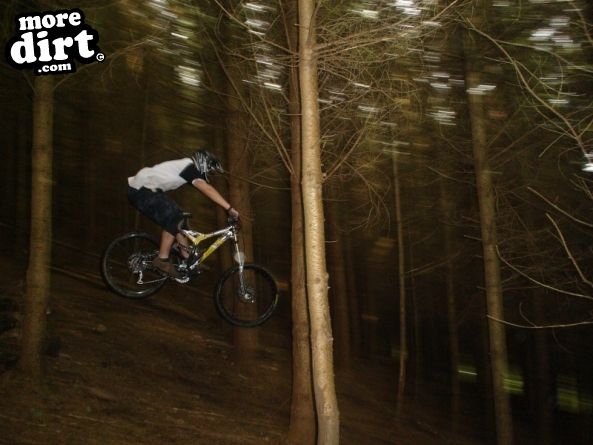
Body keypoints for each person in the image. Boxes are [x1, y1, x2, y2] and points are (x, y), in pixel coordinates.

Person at [127, 149, 239, 278]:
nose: (208, 172)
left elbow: (205, 187)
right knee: (175, 216)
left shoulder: (186, 168)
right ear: (203, 162)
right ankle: (162, 259)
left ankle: (186, 257)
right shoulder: (188, 166)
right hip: (141, 189)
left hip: (145, 190)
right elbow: (206, 189)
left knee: (181, 218)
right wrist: (229, 208)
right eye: (209, 169)